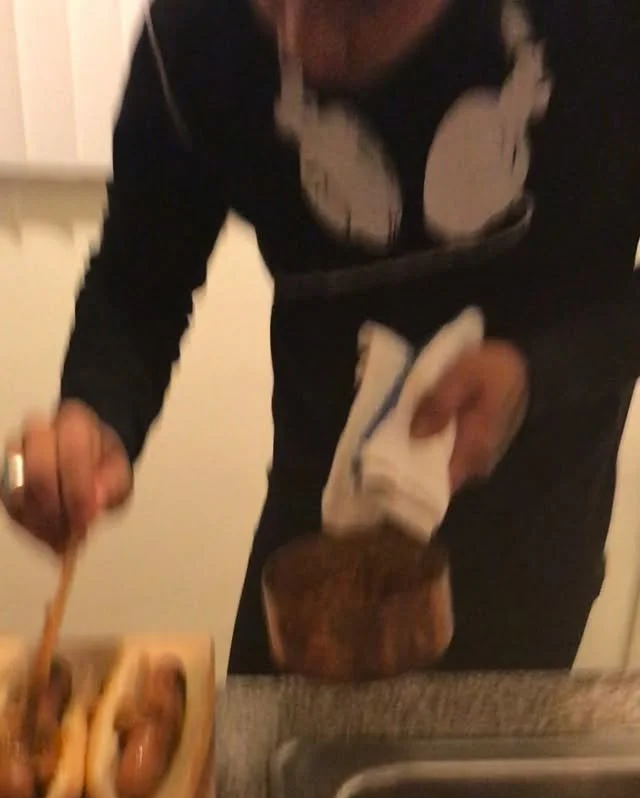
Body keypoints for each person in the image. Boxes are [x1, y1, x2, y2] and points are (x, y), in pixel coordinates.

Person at [2, 0, 639, 675]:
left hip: (534, 527)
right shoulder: (198, 24)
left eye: (356, 12)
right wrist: (94, 411)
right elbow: (137, 282)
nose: (298, 40)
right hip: (317, 517)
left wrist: (540, 371)